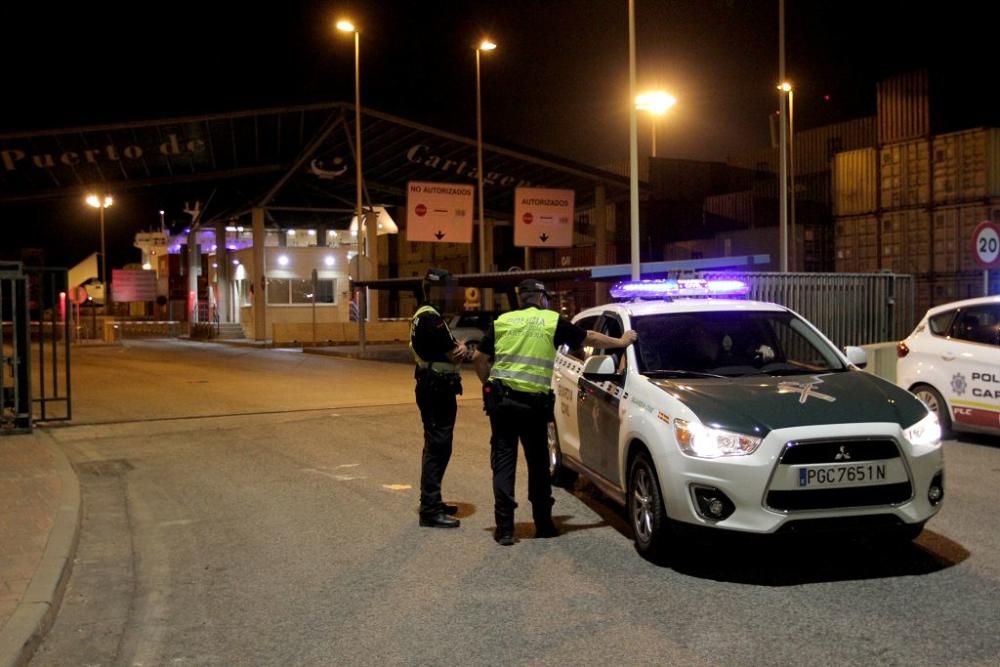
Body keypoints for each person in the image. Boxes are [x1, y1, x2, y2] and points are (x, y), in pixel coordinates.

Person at [474, 278, 637, 546]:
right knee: (538, 464)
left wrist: (488, 383)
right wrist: (621, 341)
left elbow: (479, 358)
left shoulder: (503, 321)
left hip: (502, 404)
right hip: (532, 407)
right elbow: (589, 337)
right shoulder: (550, 321)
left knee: (503, 463)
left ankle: (504, 529)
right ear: (540, 298)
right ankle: (544, 525)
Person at [410, 268, 469, 528]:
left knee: (435, 446)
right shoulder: (430, 318)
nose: (451, 294)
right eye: (447, 289)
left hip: (433, 386)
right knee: (438, 447)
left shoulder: (426, 316)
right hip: (436, 389)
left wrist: (459, 348)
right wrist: (463, 348)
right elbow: (455, 352)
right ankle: (430, 509)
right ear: (434, 290)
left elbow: (451, 350)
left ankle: (433, 501)